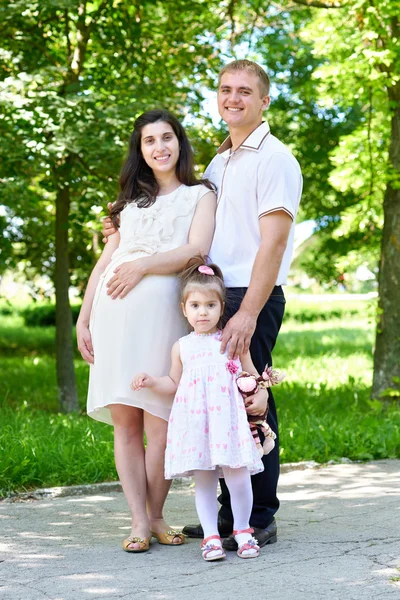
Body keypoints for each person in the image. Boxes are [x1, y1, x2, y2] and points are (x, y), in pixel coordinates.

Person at [102, 59, 303, 550]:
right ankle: (227, 514)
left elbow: (273, 244)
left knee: (250, 400)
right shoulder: (219, 161)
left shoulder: (275, 158)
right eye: (224, 90)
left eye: (244, 91)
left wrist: (249, 312)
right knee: (214, 404)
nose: (232, 98)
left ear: (264, 100)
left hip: (248, 295)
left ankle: (257, 516)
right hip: (211, 293)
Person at [76, 109, 216, 553]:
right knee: (125, 425)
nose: (160, 147)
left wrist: (142, 267)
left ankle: (158, 514)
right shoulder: (126, 205)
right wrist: (83, 316)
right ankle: (138, 519)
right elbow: (106, 262)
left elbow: (196, 249)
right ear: (139, 150)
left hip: (162, 319)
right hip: (113, 318)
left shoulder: (201, 195)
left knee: (162, 424)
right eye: (149, 141)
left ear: (180, 143)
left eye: (167, 137)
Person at [131, 257, 267, 561]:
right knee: (204, 478)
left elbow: (251, 374)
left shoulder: (230, 341)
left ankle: (243, 530)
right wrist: (152, 381)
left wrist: (260, 392)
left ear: (222, 308)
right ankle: (210, 536)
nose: (202, 312)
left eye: (210, 305)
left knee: (237, 475)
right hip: (197, 424)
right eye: (195, 305)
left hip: (227, 423)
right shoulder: (182, 346)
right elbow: (173, 382)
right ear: (184, 309)